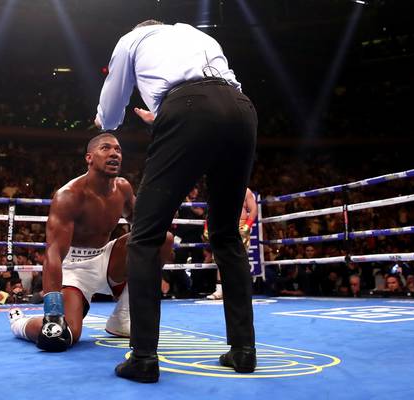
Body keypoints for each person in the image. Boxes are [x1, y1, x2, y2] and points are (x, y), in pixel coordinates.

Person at [95, 20, 258, 382]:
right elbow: (213, 101)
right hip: (242, 109)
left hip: (187, 108)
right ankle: (244, 350)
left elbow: (112, 105)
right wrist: (165, 115)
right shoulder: (197, 34)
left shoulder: (133, 37)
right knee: (226, 234)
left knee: (145, 236)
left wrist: (103, 119)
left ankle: (143, 358)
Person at [9, 133, 173, 352]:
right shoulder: (69, 195)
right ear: (89, 158)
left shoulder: (123, 188)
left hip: (105, 258)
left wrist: (159, 207)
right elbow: (54, 253)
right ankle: (19, 323)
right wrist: (53, 310)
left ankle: (122, 318)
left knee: (160, 238)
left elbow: (142, 225)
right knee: (64, 334)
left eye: (118, 149)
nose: (114, 153)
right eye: (106, 148)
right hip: (73, 268)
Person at [206, 187, 257, 300]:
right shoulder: (219, 190)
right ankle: (220, 290)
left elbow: (253, 209)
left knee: (240, 258)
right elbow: (212, 210)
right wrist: (207, 226)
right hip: (222, 225)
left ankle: (241, 290)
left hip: (240, 226)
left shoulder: (245, 190)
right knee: (220, 257)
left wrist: (247, 226)